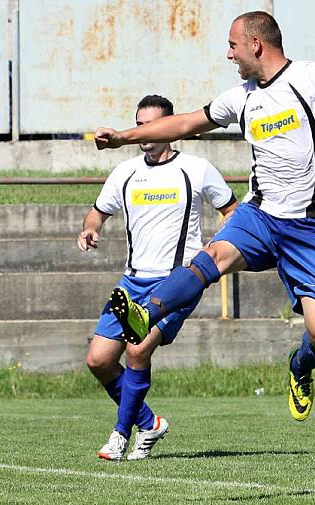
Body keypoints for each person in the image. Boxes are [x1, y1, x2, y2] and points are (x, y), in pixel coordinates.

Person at [94, 10, 315, 422]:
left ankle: (300, 366)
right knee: (213, 256)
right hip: (262, 215)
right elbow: (184, 123)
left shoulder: (309, 78)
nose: (228, 54)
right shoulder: (242, 96)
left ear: (256, 44)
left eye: (233, 45)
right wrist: (123, 138)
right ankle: (148, 312)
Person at [79, 95, 237, 461]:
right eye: (138, 124)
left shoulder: (196, 169)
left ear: (169, 128)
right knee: (98, 361)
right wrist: (90, 230)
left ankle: (120, 434)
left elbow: (232, 209)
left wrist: (218, 243)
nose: (143, 133)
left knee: (137, 349)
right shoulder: (125, 172)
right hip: (132, 281)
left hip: (175, 282)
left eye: (150, 125)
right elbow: (97, 213)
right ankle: (149, 422)